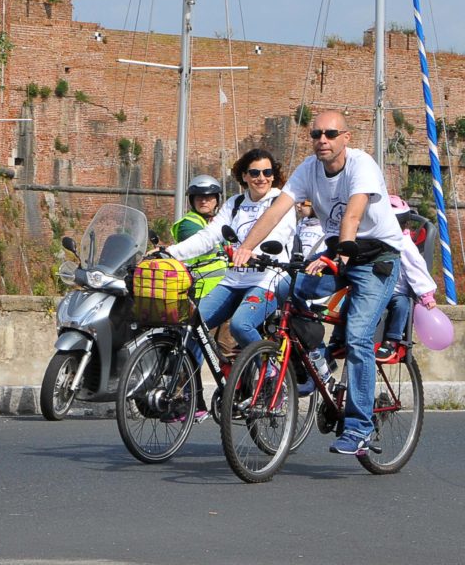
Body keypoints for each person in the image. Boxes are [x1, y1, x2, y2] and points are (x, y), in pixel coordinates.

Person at [231, 110, 402, 455]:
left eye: (330, 134)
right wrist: (246, 247)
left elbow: (352, 214)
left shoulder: (362, 165)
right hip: (335, 252)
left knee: (358, 337)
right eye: (316, 134)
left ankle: (359, 428)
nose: (322, 140)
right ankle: (315, 360)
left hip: (376, 258)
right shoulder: (309, 169)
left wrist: (340, 256)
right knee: (285, 290)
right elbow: (277, 209)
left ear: (346, 138)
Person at [165, 150, 297, 421]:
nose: (262, 178)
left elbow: (280, 234)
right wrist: (170, 253)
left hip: (268, 279)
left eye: (268, 172)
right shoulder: (235, 204)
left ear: (274, 175)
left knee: (240, 325)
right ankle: (190, 396)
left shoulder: (281, 202)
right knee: (192, 325)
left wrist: (252, 251)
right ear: (244, 176)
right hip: (234, 279)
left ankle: (271, 373)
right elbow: (208, 236)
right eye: (255, 173)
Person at [377, 194, 436, 363]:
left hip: (396, 291)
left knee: (402, 306)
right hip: (376, 289)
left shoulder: (404, 243)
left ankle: (391, 341)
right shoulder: (374, 238)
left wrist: (426, 295)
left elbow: (416, 268)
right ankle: (339, 337)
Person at [170, 174, 227, 299]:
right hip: (199, 289)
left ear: (217, 200)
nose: (203, 201)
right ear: (192, 200)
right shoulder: (188, 224)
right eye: (199, 197)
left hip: (222, 288)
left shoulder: (216, 222)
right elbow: (206, 243)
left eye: (208, 197)